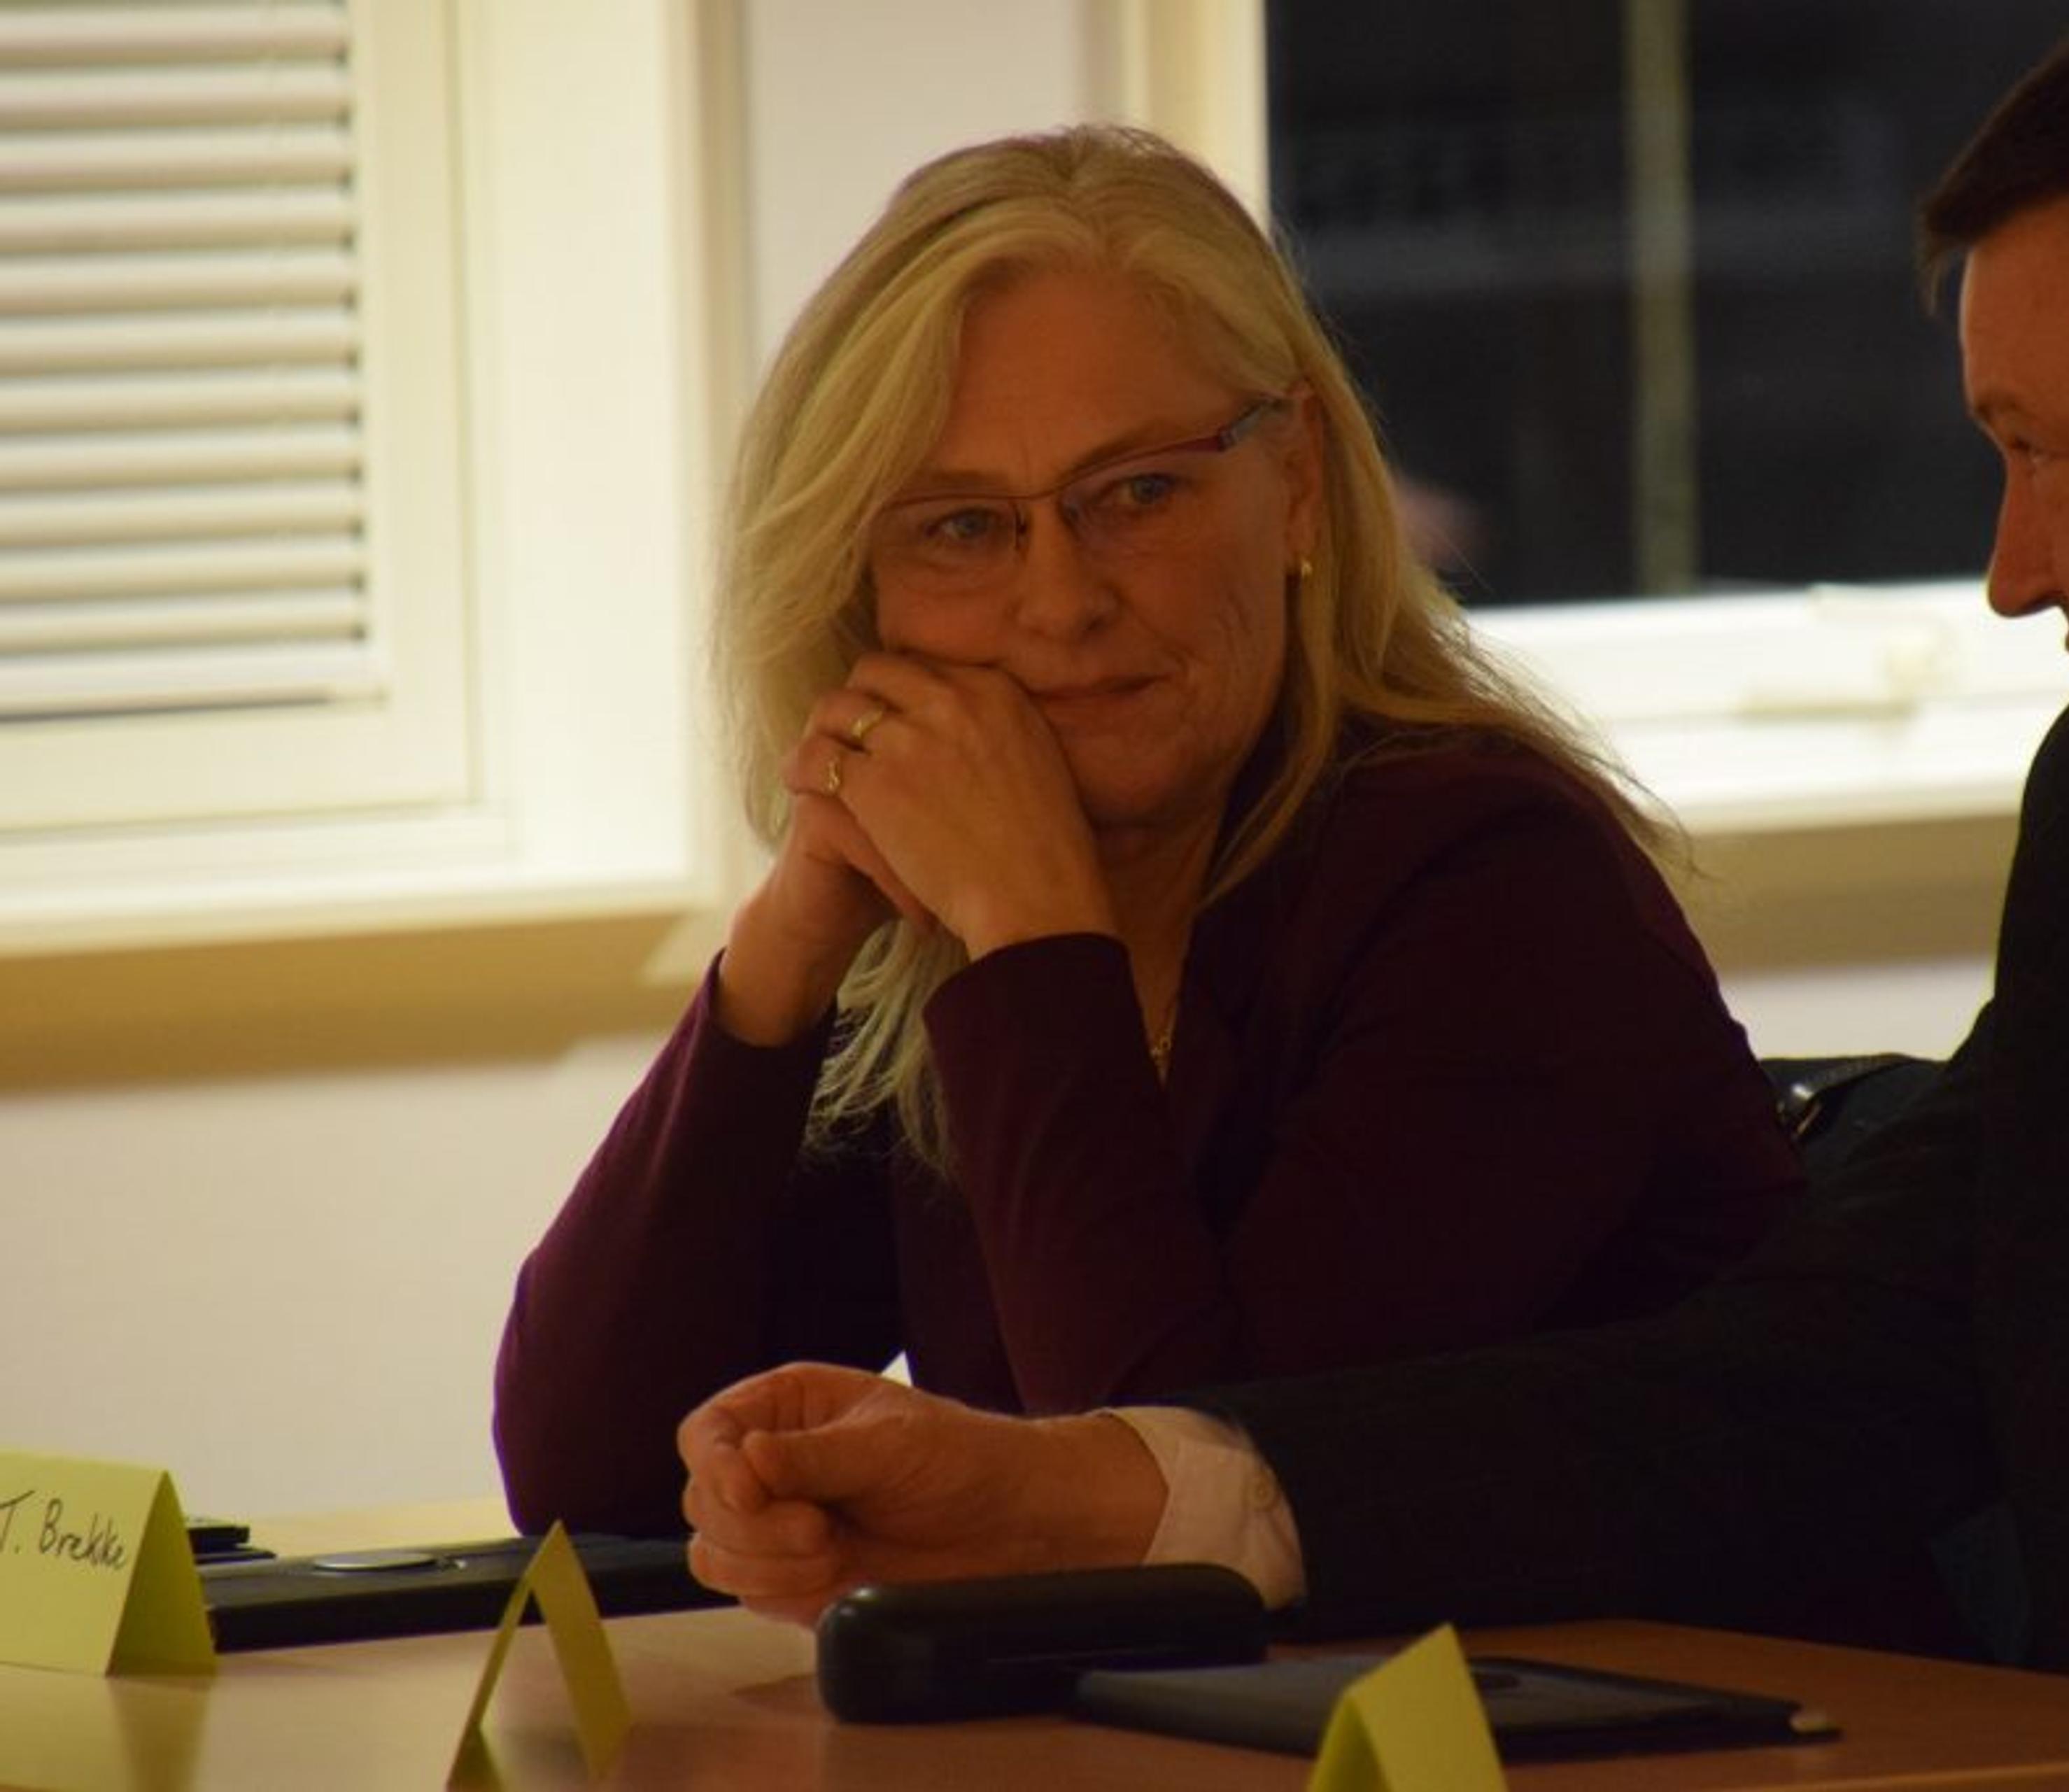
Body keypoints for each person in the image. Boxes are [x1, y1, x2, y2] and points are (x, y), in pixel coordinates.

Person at [670, 0, 2069, 1730]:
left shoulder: (1472, 875)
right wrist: (1078, 1493)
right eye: (963, 528)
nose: (2011, 574)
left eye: (2041, 452)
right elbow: (1815, 1382)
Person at [493, 127, 1802, 1538]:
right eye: (961, 527)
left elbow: (1199, 1514)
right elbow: (600, 1480)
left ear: (1295, 484)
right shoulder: (947, 932)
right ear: (858, 588)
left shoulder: (1497, 890)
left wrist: (1034, 940)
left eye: (1139, 495)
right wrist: (793, 939)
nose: (1062, 603)